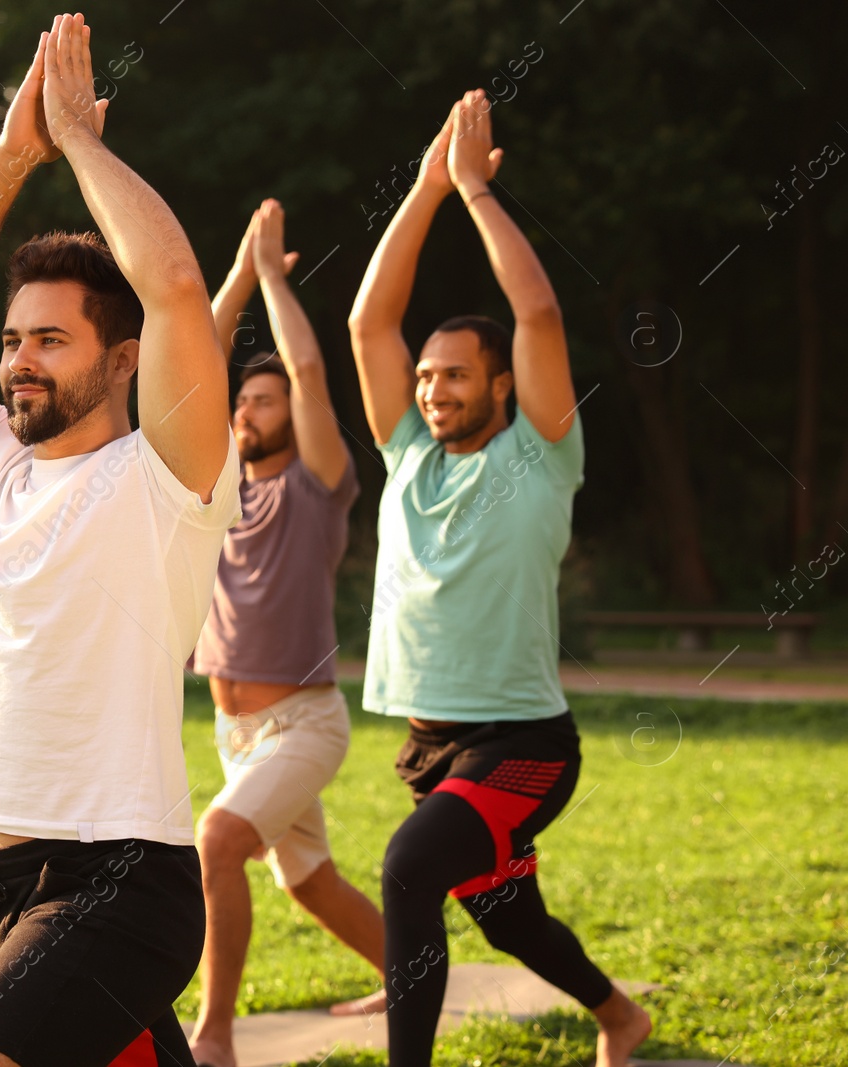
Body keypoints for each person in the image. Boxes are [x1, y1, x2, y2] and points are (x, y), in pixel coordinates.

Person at [0, 14, 241, 1067]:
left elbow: (175, 286)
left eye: (50, 338)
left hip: (116, 880)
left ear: (123, 358)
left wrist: (80, 143)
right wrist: (12, 153)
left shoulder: (166, 476)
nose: (19, 361)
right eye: (9, 339)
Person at [346, 92, 653, 1067]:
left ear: (502, 383)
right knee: (509, 918)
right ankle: (617, 1013)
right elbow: (368, 319)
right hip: (431, 745)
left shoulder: (539, 454)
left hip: (523, 744)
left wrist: (474, 190)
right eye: (427, 376)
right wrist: (426, 187)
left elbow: (536, 311)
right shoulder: (406, 457)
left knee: (406, 869)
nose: (434, 387)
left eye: (455, 375)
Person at [187, 200, 385, 1067]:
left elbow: (310, 371)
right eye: (244, 401)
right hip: (237, 731)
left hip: (304, 724)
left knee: (217, 843)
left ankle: (216, 1031)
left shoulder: (319, 489)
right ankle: (416, 974)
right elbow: (193, 365)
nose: (249, 410)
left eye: (265, 400)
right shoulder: (216, 489)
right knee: (310, 883)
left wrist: (273, 278)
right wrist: (235, 274)